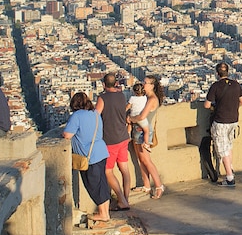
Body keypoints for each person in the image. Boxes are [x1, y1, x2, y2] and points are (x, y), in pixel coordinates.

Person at [63, 92, 111, 226]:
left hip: (89, 157)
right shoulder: (95, 114)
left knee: (93, 185)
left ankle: (103, 213)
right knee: (102, 184)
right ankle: (105, 212)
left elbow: (67, 135)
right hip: (101, 152)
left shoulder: (77, 116)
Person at [93, 72, 132, 211]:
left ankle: (122, 200)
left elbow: (96, 115)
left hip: (110, 139)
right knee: (125, 169)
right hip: (123, 136)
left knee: (107, 171)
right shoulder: (121, 95)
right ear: (116, 83)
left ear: (103, 85)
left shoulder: (102, 98)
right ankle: (126, 198)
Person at [205, 62, 242, 187]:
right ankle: (230, 169)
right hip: (233, 120)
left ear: (217, 74)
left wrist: (218, 107)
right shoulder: (235, 85)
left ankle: (229, 178)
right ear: (228, 72)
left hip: (221, 121)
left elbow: (206, 105)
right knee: (228, 146)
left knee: (223, 149)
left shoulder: (216, 86)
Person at [130, 74, 166, 199]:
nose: (143, 84)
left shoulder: (152, 100)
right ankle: (146, 185)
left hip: (143, 131)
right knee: (141, 159)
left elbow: (141, 116)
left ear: (152, 86)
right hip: (138, 130)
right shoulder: (146, 97)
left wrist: (130, 119)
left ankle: (159, 186)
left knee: (146, 160)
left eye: (145, 83)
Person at [127, 82, 151, 150]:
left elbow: (128, 107)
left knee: (129, 123)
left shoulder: (132, 98)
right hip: (140, 117)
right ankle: (146, 143)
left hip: (132, 115)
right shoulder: (145, 98)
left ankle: (128, 135)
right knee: (146, 130)